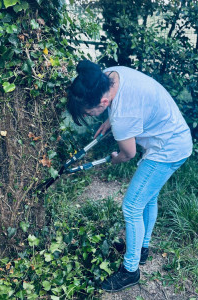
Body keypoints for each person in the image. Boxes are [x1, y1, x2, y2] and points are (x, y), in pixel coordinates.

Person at [67, 59, 193, 292]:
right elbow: (127, 107)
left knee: (132, 206)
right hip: (175, 136)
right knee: (148, 198)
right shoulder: (108, 75)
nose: (90, 115)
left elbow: (127, 154)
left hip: (168, 148)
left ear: (103, 102)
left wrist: (115, 157)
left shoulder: (122, 115)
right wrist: (109, 119)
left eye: (90, 112)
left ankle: (130, 270)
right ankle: (142, 249)